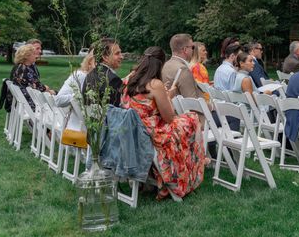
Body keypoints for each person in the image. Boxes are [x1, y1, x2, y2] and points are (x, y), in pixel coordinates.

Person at [121, 46, 207, 200]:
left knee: (188, 121)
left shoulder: (130, 78)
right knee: (192, 119)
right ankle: (188, 171)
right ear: (160, 64)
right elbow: (169, 117)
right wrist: (168, 96)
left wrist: (164, 94)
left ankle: (195, 162)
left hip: (133, 130)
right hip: (152, 133)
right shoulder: (155, 84)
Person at [82, 38, 123, 107]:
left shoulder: (90, 75)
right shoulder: (114, 80)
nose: (121, 57)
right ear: (105, 57)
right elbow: (114, 113)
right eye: (117, 53)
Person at [11, 43, 54, 109]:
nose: (36, 55)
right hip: (30, 103)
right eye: (33, 54)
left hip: (23, 101)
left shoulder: (19, 67)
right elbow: (38, 88)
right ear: (26, 56)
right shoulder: (24, 70)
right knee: (57, 97)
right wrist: (47, 89)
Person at [161, 34, 201, 99]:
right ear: (185, 49)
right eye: (192, 47)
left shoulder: (165, 65)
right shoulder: (183, 69)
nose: (193, 50)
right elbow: (192, 101)